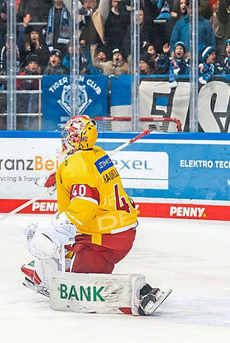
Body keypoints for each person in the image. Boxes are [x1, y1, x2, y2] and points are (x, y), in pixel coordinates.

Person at [21, 115, 170, 315]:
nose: (65, 139)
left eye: (69, 135)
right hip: (120, 231)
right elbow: (88, 177)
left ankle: (137, 296)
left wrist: (55, 229)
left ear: (76, 138)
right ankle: (46, 273)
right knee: (59, 240)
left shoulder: (76, 165)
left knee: (72, 287)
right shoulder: (97, 153)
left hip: (102, 238)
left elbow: (85, 206)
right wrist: (58, 177)